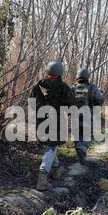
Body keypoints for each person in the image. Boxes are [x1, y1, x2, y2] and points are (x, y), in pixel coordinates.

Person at [31, 61, 75, 191]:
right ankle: (42, 177)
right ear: (60, 72)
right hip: (57, 121)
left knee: (51, 144)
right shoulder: (63, 87)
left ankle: (57, 170)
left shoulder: (37, 86)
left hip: (40, 121)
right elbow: (71, 106)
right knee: (52, 145)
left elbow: (32, 105)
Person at [72, 68, 104, 165]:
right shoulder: (92, 87)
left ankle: (80, 154)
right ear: (87, 76)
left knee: (77, 136)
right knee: (89, 135)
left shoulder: (73, 87)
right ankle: (82, 149)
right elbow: (100, 100)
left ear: (77, 76)